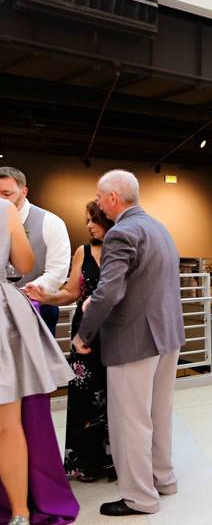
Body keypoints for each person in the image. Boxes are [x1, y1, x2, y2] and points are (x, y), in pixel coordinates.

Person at [73, 170, 185, 517]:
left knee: (130, 420)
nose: (99, 202)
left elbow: (108, 293)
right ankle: (162, 479)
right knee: (158, 413)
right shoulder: (158, 227)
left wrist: (83, 334)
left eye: (99, 195)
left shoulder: (121, 233)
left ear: (112, 199)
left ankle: (140, 497)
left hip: (134, 338)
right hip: (167, 335)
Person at [0, 197, 76, 525]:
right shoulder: (5, 211)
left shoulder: (49, 221)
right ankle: (19, 512)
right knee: (8, 424)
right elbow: (26, 262)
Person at [26, 201, 116, 482]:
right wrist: (46, 296)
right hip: (85, 334)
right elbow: (71, 292)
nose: (88, 225)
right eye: (87, 220)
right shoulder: (83, 251)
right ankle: (87, 463)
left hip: (118, 334)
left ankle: (119, 461)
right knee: (85, 396)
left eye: (95, 220)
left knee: (118, 397)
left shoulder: (126, 251)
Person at [0, 167, 70, 336]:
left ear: (24, 192)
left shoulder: (51, 222)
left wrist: (27, 293)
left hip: (38, 310)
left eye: (6, 194)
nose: (1, 200)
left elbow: (57, 271)